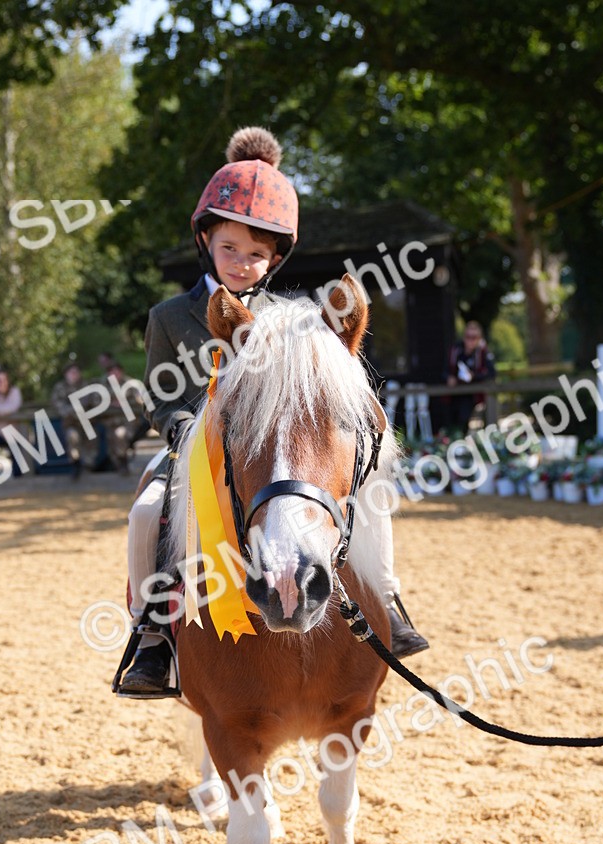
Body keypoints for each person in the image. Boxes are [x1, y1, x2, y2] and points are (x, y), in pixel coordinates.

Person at [119, 127, 428, 697]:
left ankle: (387, 600)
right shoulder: (169, 316)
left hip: (263, 454)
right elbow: (158, 395)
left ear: (275, 258)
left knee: (371, 499)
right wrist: (185, 431)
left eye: (256, 254)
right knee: (146, 512)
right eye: (230, 248)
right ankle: (152, 636)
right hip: (193, 453)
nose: (241, 263)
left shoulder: (290, 317)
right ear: (206, 239)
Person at [444, 320, 496, 435]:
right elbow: (445, 370)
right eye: (468, 336)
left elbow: (491, 373)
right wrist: (449, 377)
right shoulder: (456, 350)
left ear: (479, 338)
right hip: (454, 394)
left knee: (465, 418)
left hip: (474, 395)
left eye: (474, 337)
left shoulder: (483, 352)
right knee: (450, 420)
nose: (471, 340)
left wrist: (474, 376)